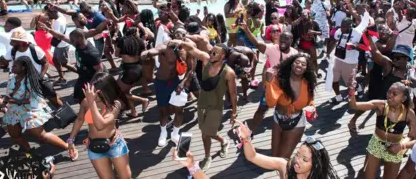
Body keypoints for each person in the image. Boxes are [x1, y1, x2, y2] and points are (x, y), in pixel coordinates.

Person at [178, 42, 237, 171]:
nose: (211, 54)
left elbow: (233, 94)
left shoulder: (228, 73)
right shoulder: (205, 61)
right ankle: (224, 141)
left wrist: (234, 112)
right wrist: (180, 42)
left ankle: (207, 157)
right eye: (211, 51)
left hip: (215, 106)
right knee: (207, 132)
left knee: (205, 135)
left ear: (222, 56)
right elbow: (193, 49)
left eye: (214, 53)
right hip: (202, 103)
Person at [349, 71, 416, 179]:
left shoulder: (409, 113)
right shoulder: (380, 105)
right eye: (389, 92)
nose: (390, 96)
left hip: (396, 147)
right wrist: (352, 91)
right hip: (376, 143)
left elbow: (414, 138)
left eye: (394, 94)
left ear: (403, 98)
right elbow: (354, 105)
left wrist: (401, 146)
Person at [67, 73, 131, 179]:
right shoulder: (86, 102)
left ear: (107, 90)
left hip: (115, 144)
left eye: (97, 92)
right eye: (92, 91)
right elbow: (79, 119)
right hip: (95, 147)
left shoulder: (115, 104)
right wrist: (71, 140)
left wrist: (91, 102)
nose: (93, 95)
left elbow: (100, 125)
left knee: (126, 177)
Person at [140, 25, 196, 147]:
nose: (179, 36)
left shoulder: (187, 49)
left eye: (182, 34)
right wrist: (146, 53)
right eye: (177, 33)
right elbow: (154, 51)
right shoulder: (165, 46)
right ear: (173, 34)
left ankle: (175, 133)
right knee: (163, 110)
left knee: (179, 110)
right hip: (161, 82)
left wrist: (182, 83)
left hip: (177, 81)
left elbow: (191, 69)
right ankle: (163, 133)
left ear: (185, 36)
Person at [3, 57, 70, 156]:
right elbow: (9, 94)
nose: (12, 67)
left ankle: (67, 147)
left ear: (23, 68)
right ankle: (30, 152)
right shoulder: (12, 77)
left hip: (30, 108)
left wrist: (14, 100)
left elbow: (32, 100)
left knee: (41, 136)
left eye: (15, 66)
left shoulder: (31, 80)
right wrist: (5, 101)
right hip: (14, 109)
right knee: (14, 134)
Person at [235, 120, 339, 179]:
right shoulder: (285, 166)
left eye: (305, 159)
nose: (297, 160)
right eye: (297, 154)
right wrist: (246, 139)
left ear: (316, 164)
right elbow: (252, 156)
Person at [266, 53, 317, 158]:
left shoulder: (307, 83)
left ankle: (286, 173)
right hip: (278, 118)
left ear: (306, 68)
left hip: (296, 121)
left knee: (283, 157)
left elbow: (310, 99)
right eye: (297, 62)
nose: (299, 65)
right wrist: (268, 82)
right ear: (291, 64)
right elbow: (270, 103)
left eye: (303, 64)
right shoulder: (279, 79)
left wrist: (312, 107)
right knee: (274, 155)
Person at [328, 18, 362, 104]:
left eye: (344, 27)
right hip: (338, 59)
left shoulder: (357, 33)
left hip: (350, 62)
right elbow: (333, 40)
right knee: (333, 79)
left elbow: (364, 47)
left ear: (350, 26)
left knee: (350, 83)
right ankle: (338, 97)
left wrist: (354, 47)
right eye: (341, 26)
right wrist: (328, 53)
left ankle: (359, 87)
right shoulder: (338, 31)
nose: (342, 28)